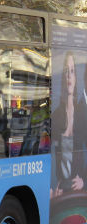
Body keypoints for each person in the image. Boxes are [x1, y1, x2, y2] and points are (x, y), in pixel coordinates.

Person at [50, 52, 83, 198]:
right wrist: (52, 186)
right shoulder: (56, 116)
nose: (69, 76)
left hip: (80, 190)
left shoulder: (83, 113)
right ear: (63, 78)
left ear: (76, 77)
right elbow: (49, 154)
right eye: (66, 72)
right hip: (60, 190)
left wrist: (84, 181)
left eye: (72, 71)